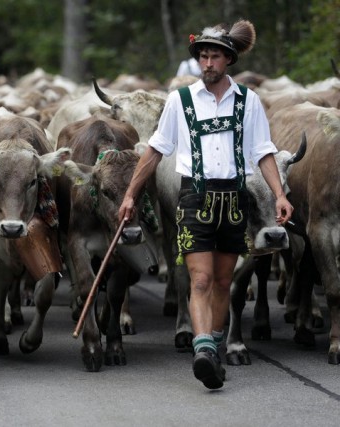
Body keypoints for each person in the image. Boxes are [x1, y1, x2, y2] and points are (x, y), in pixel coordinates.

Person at [118, 19, 293, 390]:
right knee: (199, 278)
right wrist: (131, 193)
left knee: (223, 281)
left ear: (228, 60)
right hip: (194, 197)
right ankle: (204, 352)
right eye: (203, 56)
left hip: (234, 198)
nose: (208, 63)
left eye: (215, 56)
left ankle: (211, 345)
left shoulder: (250, 101)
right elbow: (154, 151)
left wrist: (279, 194)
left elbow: (264, 153)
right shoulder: (179, 101)